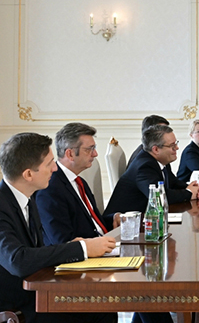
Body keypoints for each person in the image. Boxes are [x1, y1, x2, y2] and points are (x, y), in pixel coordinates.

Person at [0, 133, 116, 323]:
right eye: (49, 164)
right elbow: (18, 260)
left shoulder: (28, 198)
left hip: (37, 289)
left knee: (104, 305)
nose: (55, 168)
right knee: (99, 310)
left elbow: (36, 252)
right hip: (19, 304)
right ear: (28, 174)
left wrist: (72, 247)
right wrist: (81, 248)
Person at [34, 123, 120, 245]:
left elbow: (91, 224)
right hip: (84, 254)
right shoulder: (50, 188)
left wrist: (114, 218)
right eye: (89, 149)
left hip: (102, 245)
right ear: (70, 154)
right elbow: (62, 241)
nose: (95, 154)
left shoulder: (79, 182)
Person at [105, 124, 199, 215]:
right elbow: (159, 197)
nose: (177, 148)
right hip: (123, 223)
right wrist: (189, 193)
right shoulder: (144, 166)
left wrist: (193, 189)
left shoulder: (161, 161)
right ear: (156, 149)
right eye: (172, 146)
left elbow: (173, 183)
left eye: (176, 143)